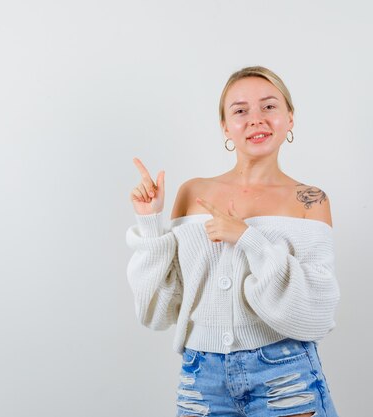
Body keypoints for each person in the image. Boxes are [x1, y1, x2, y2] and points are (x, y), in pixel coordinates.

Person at [125, 66, 340, 417]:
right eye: (240, 111)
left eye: (269, 107)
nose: (256, 119)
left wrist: (247, 238)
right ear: (226, 126)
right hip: (201, 378)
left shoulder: (310, 199)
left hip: (283, 374)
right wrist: (150, 223)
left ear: (290, 118)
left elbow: (318, 314)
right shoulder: (192, 192)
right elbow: (157, 311)